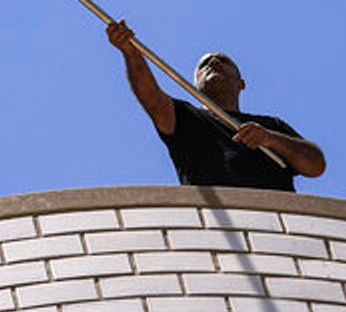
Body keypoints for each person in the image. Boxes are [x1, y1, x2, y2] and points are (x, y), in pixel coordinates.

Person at [107, 20, 326, 191]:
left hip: (273, 228)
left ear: (241, 83)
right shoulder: (185, 117)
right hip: (214, 230)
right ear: (195, 83)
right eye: (204, 64)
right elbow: (152, 99)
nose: (213, 62)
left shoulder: (270, 124)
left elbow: (315, 165)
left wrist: (269, 138)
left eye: (223, 60)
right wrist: (131, 52)